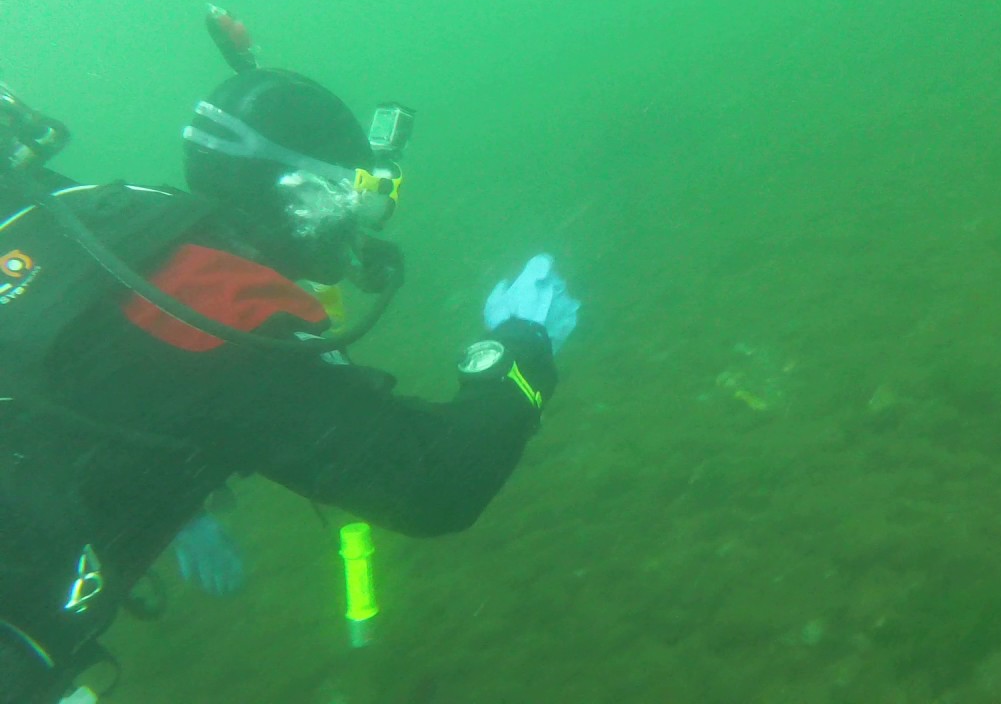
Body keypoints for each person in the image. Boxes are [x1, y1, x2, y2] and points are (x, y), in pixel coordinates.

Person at [0, 61, 578, 702]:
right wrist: (522, 346)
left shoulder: (79, 220)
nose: (367, 221)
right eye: (358, 193)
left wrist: (174, 499)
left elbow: (101, 375)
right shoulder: (223, 311)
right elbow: (436, 483)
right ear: (298, 192)